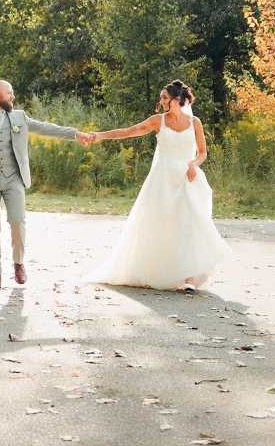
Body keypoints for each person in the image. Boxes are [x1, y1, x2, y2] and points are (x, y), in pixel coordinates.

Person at [83, 79, 231, 293]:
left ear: (177, 100)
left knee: (188, 224)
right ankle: (155, 271)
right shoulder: (158, 121)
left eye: (164, 98)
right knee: (160, 226)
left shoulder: (194, 122)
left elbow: (203, 152)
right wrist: (99, 136)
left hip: (186, 178)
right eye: (161, 98)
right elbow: (129, 131)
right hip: (162, 179)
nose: (161, 102)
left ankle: (188, 277)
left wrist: (193, 164)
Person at [0, 80, 92, 289]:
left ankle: (18, 263)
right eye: (9, 93)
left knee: (18, 222)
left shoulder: (20, 117)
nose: (12, 97)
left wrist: (75, 133)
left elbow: (46, 128)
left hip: (14, 179)